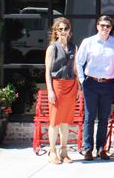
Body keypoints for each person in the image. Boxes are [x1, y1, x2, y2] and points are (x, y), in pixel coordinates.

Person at [76, 15, 114, 161]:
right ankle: (88, 149)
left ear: (111, 28)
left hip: (108, 84)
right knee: (89, 117)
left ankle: (101, 148)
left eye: (108, 26)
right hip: (90, 83)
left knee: (104, 118)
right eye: (102, 25)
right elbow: (79, 62)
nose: (105, 28)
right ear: (97, 26)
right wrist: (82, 80)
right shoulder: (88, 42)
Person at [44, 17, 79, 164]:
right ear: (56, 31)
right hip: (57, 85)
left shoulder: (74, 47)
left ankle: (64, 151)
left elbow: (76, 69)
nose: (63, 32)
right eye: (60, 29)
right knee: (55, 120)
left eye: (66, 29)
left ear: (70, 31)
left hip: (71, 85)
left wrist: (78, 87)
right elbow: (47, 71)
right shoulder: (52, 48)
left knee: (66, 120)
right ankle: (52, 151)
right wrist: (50, 91)